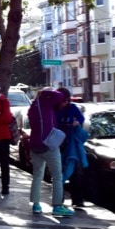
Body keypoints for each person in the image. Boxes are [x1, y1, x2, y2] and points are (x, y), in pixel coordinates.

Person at [27, 87, 75, 217]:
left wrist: (43, 94)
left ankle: (36, 205)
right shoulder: (47, 103)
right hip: (49, 145)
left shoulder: (33, 107)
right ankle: (57, 206)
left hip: (34, 145)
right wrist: (46, 92)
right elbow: (59, 95)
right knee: (57, 176)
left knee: (37, 175)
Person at [57, 92, 87, 208]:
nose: (65, 103)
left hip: (70, 143)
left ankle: (78, 200)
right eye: (63, 101)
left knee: (75, 171)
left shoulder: (72, 107)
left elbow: (81, 117)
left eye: (67, 101)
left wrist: (77, 122)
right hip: (58, 143)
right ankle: (59, 199)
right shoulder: (54, 109)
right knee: (58, 172)